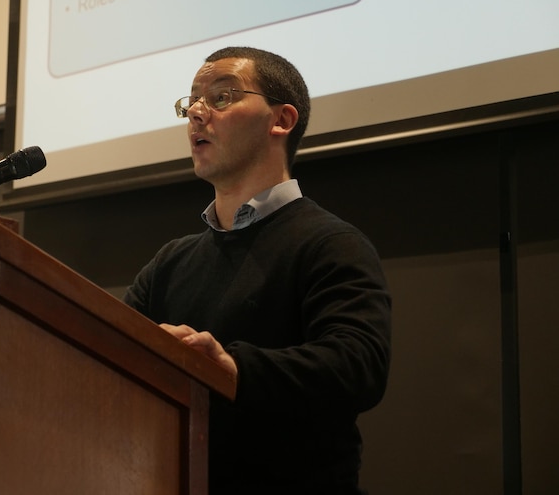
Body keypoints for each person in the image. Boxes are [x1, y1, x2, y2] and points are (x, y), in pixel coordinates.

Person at [124, 47, 392, 494]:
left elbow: (358, 366)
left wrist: (234, 369)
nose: (195, 113)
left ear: (281, 121)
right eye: (190, 102)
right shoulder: (171, 263)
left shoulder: (331, 244)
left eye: (222, 97)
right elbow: (111, 347)